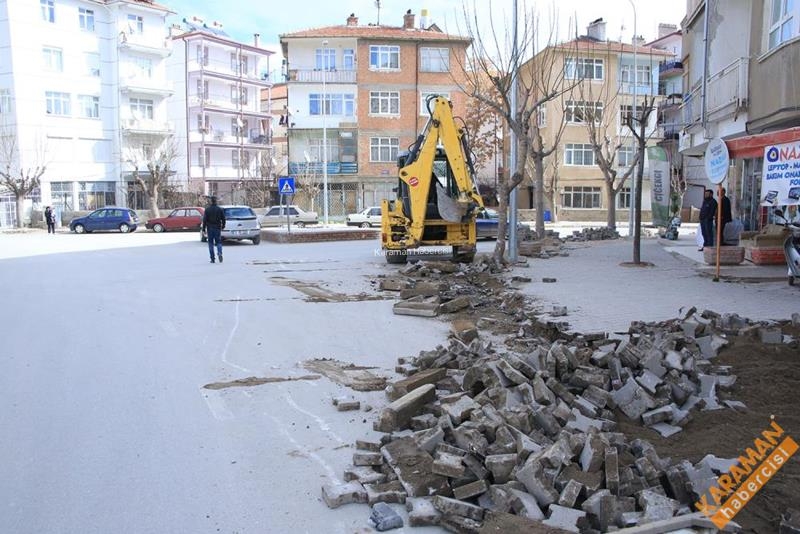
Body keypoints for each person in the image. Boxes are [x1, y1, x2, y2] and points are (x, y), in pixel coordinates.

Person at [202, 196, 225, 263]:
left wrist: (203, 229)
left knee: (210, 243)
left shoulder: (207, 209)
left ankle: (212, 258)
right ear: (216, 201)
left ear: (211, 201)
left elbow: (204, 220)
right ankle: (220, 252)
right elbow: (223, 219)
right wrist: (223, 225)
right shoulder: (220, 209)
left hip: (210, 228)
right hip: (217, 228)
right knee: (218, 242)